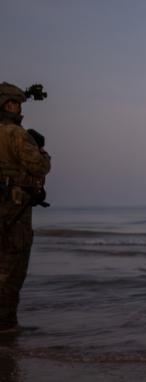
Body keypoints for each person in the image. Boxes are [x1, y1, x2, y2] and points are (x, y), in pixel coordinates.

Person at [0, 82, 51, 332]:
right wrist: (42, 151)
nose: (18, 107)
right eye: (15, 103)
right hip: (14, 208)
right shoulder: (15, 134)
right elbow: (40, 167)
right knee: (13, 266)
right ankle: (6, 324)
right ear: (8, 104)